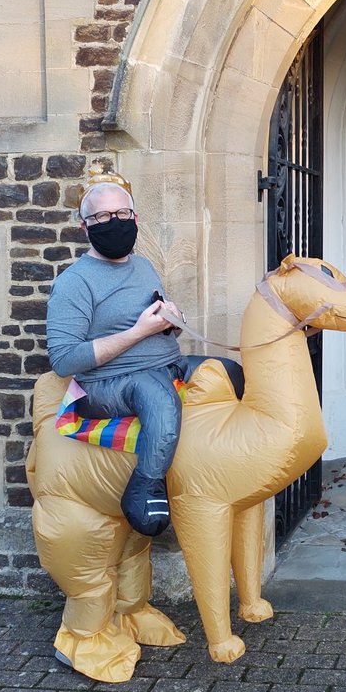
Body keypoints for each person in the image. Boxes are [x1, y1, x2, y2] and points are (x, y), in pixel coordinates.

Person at [46, 165, 244, 536]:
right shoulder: (74, 283)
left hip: (167, 362)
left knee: (228, 370)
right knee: (157, 392)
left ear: (135, 217)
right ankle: (145, 486)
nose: (115, 221)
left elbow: (155, 311)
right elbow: (64, 359)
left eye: (122, 214)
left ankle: (215, 459)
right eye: (102, 216)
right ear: (85, 226)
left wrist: (172, 316)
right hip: (107, 384)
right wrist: (139, 332)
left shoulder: (144, 265)